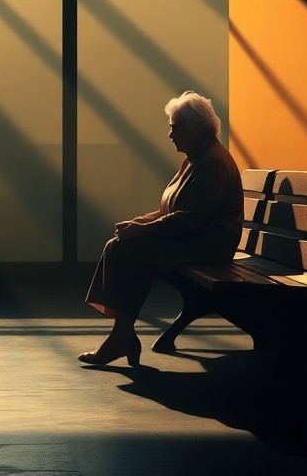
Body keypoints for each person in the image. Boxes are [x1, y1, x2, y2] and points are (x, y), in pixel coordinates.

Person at [79, 90, 243, 366]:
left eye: (175, 127)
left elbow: (190, 218)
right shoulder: (196, 158)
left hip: (208, 245)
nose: (170, 135)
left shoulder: (211, 162)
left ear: (196, 127)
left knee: (129, 249)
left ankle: (121, 336)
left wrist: (143, 231)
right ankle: (122, 334)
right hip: (193, 238)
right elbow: (173, 210)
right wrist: (141, 222)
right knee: (119, 244)